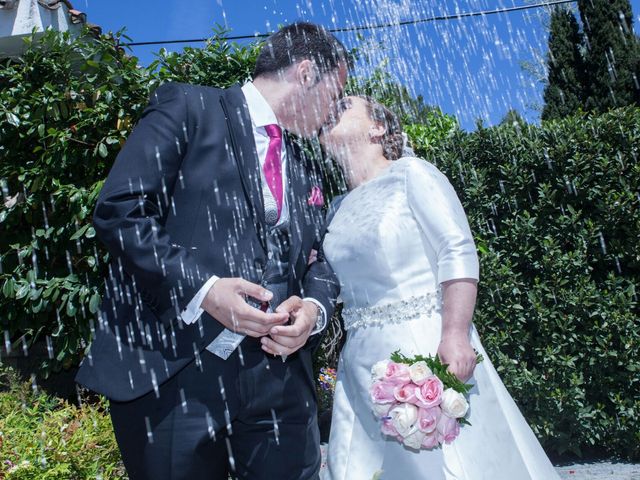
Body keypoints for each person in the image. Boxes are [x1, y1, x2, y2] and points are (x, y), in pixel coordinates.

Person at [75, 22, 348, 480]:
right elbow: (121, 210)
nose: (333, 108)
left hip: (280, 384)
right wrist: (204, 290)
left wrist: (315, 310)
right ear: (305, 73)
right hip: (178, 375)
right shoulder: (189, 106)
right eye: (333, 90)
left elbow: (319, 257)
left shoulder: (305, 165)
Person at [318, 96, 560, 479]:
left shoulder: (412, 173)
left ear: (377, 128)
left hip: (423, 348)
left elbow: (457, 247)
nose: (331, 108)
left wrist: (455, 334)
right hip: (360, 361)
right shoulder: (335, 207)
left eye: (345, 104)